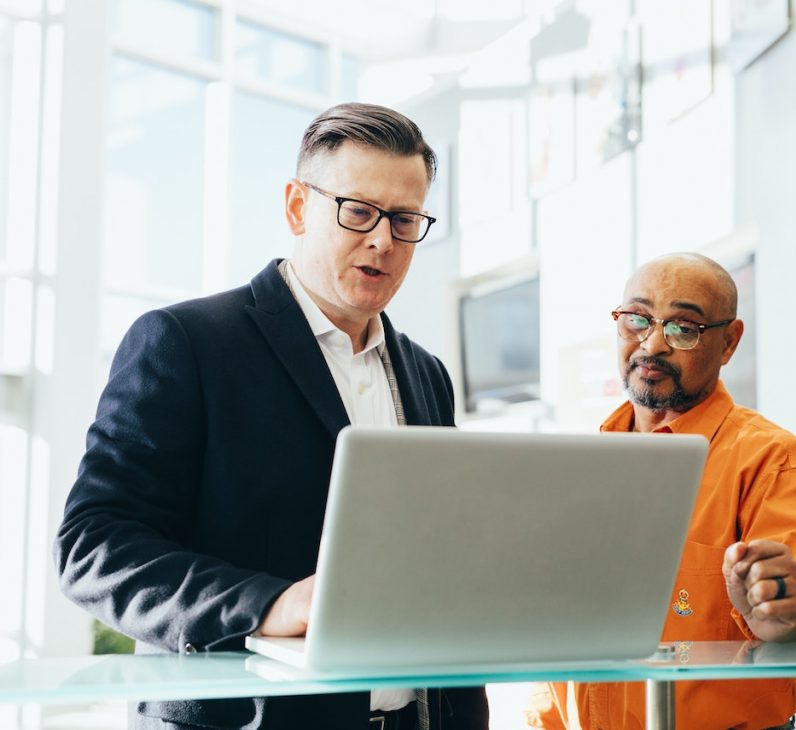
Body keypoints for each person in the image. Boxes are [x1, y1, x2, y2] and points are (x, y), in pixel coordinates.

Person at [54, 103, 488, 730]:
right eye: (358, 211)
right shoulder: (184, 342)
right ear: (296, 207)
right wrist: (270, 605)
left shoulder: (427, 373)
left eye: (404, 219)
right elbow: (94, 547)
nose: (382, 241)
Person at [527, 253, 796, 730]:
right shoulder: (586, 463)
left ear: (729, 342)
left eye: (683, 328)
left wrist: (783, 612)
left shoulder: (771, 460)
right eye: (636, 320)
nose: (652, 345)